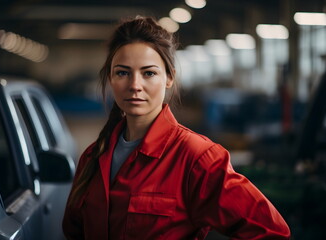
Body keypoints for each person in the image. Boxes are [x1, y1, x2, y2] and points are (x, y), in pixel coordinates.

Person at [62, 16, 290, 240]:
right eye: (122, 72)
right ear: (110, 78)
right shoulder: (93, 157)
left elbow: (270, 231)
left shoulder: (197, 158)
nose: (134, 85)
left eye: (149, 73)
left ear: (169, 77)